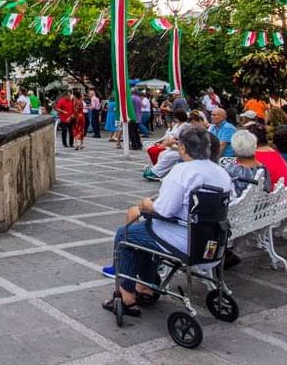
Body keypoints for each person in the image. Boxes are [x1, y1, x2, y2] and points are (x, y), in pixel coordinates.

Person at [103, 128, 233, 316]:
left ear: (182, 148)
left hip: (182, 238)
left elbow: (164, 210)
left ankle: (126, 297)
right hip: (211, 240)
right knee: (145, 233)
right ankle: (144, 287)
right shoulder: (220, 173)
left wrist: (145, 204)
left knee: (125, 235)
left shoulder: (182, 171)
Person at [227, 129, 271, 195]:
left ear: (234, 148)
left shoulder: (232, 170)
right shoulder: (263, 168)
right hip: (262, 203)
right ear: (254, 146)